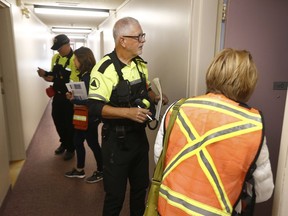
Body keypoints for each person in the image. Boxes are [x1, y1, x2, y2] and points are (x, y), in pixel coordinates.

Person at [154, 48, 274, 216]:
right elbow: (263, 191)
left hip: (168, 209)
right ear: (249, 81)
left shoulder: (177, 109)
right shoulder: (252, 125)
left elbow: (159, 158)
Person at [88, 17, 168, 216]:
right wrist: (128, 113)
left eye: (143, 35)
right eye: (138, 36)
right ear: (122, 40)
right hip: (116, 142)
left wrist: (155, 97)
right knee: (115, 196)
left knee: (140, 190)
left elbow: (145, 90)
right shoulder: (104, 69)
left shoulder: (140, 65)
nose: (143, 40)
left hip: (139, 140)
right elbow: (94, 107)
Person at [65, 46, 103, 183]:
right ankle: (80, 170)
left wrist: (73, 99)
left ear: (83, 59)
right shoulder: (85, 75)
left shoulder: (90, 77)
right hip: (82, 116)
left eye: (75, 59)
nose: (74, 62)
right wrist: (74, 95)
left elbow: (91, 101)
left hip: (90, 118)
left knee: (93, 144)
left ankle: (101, 170)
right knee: (77, 141)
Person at [37, 34, 79, 161]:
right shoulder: (55, 57)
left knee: (69, 124)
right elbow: (53, 74)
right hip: (57, 96)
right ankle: (64, 143)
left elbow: (74, 80)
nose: (58, 51)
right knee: (57, 120)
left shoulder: (74, 59)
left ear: (68, 45)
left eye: (60, 48)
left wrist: (55, 78)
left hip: (69, 97)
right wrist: (45, 75)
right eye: (57, 49)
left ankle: (71, 148)